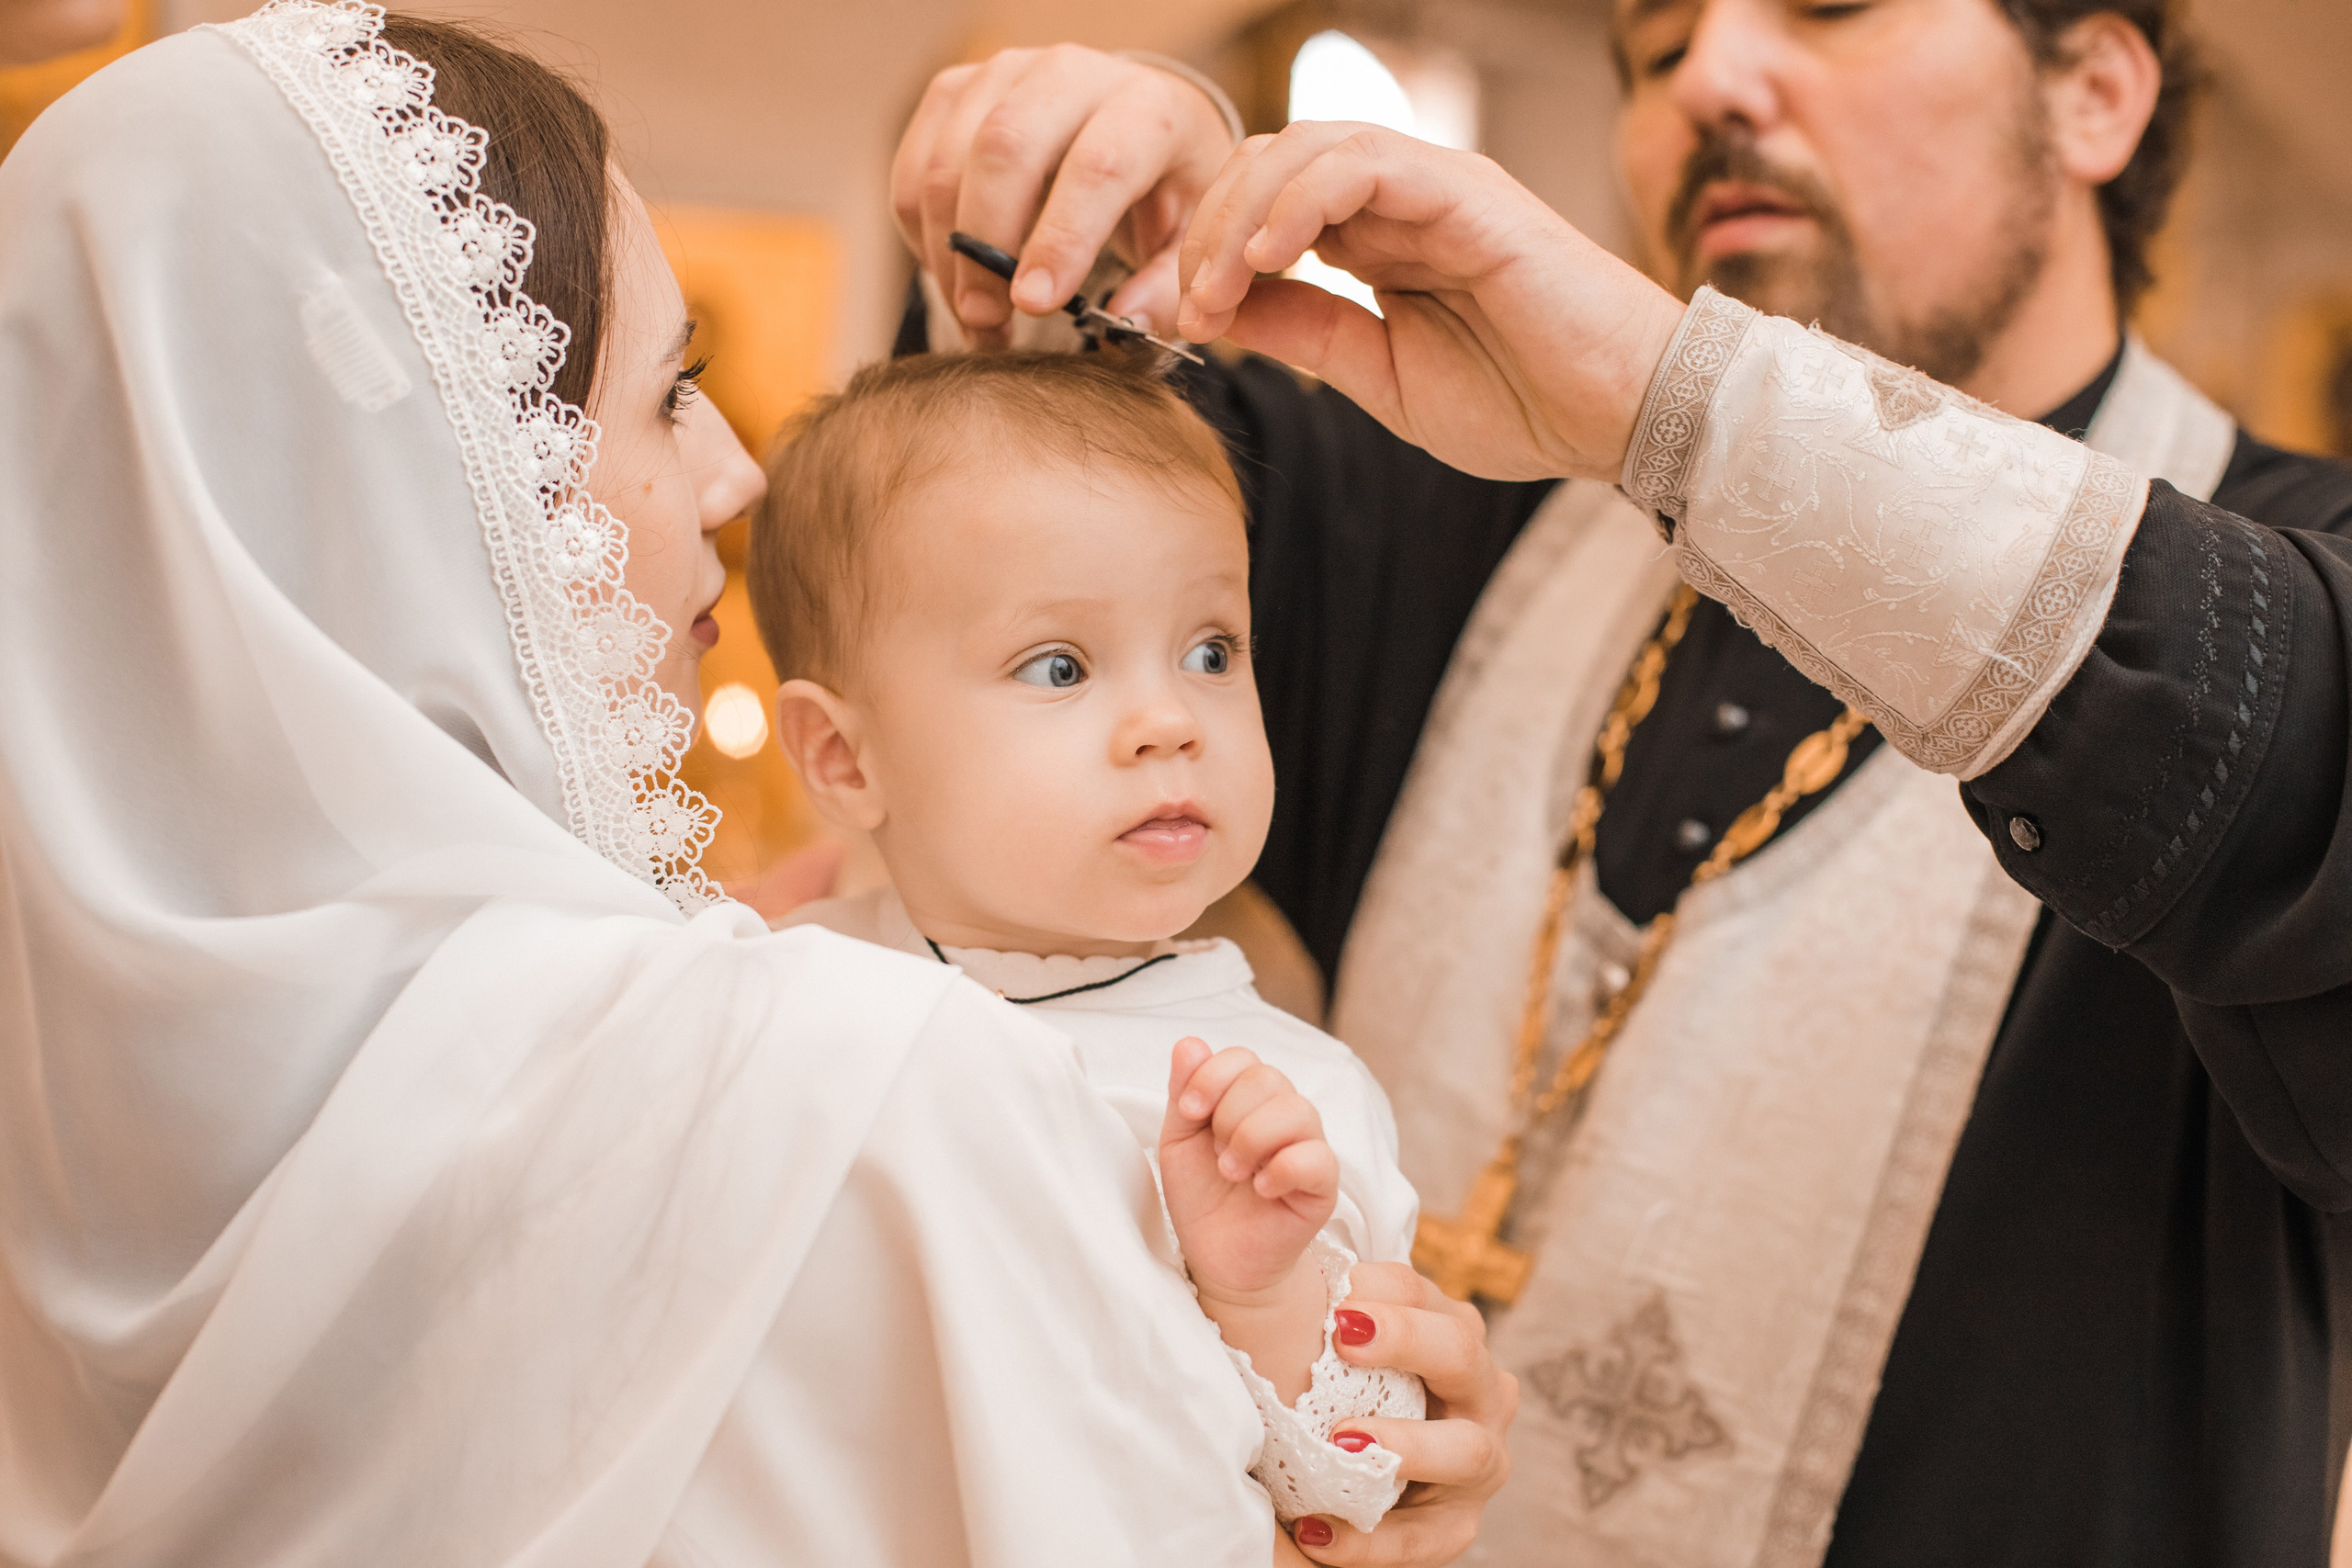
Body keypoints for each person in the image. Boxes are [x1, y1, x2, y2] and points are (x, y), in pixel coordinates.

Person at [0, 7, 1515, 1566]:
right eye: (668, 394)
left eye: (1212, 652)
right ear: (432, 497)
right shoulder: (889, 1104)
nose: (732, 474)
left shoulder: (66, 1115)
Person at [892, 0, 2352, 1562]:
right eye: (1655, 49)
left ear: (2095, 95)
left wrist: (1674, 400)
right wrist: (1097, 210)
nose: (1710, 78)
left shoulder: (2288, 573)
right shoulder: (1462, 490)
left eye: (1827, 9)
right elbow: (977, 576)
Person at [750, 349, 1430, 1540]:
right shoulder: (774, 995)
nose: (1169, 720)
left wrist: (1262, 1292)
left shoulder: (1287, 1106)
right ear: (845, 759)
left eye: (1211, 650)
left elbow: (1355, 1495)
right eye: (1059, 666)